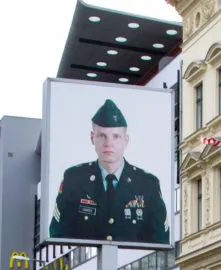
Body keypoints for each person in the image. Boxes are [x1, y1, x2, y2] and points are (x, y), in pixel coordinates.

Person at [48, 99, 169, 245]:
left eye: (116, 136)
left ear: (126, 140)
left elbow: (161, 239)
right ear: (92, 138)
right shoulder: (74, 179)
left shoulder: (148, 184)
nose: (108, 143)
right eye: (102, 136)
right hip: (88, 259)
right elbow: (58, 234)